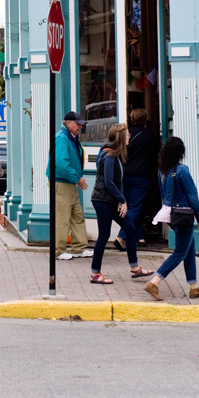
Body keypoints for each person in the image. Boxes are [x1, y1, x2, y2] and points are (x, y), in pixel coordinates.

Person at [89, 123, 153, 284]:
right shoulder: (109, 156)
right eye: (127, 134)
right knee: (104, 235)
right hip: (103, 201)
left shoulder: (116, 155)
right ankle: (95, 273)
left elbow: (118, 182)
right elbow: (109, 182)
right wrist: (123, 200)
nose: (129, 136)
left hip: (111, 200)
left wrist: (120, 200)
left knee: (130, 229)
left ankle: (135, 268)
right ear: (120, 137)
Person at [145, 136, 199, 301]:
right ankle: (155, 281)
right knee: (180, 252)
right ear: (180, 152)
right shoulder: (182, 170)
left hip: (172, 215)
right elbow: (192, 196)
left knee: (189, 249)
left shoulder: (162, 171)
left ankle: (194, 287)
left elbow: (164, 195)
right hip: (185, 216)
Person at [47, 112, 93, 259]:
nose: (80, 126)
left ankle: (79, 247)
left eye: (81, 124)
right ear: (68, 122)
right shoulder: (62, 138)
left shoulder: (68, 137)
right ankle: (58, 250)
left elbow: (64, 163)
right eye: (77, 123)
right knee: (63, 217)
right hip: (62, 182)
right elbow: (61, 164)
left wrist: (76, 178)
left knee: (76, 215)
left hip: (67, 182)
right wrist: (77, 178)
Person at [115, 108, 157, 251]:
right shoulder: (150, 137)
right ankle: (121, 237)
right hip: (142, 177)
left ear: (131, 119)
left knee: (132, 207)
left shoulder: (126, 135)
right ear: (145, 119)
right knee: (135, 208)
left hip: (125, 175)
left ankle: (140, 237)